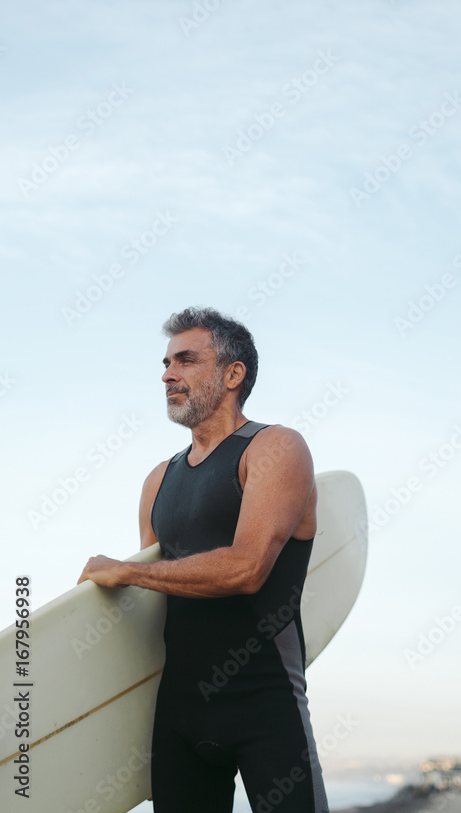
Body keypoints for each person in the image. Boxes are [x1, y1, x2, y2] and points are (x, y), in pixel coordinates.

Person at [78, 307, 329, 813]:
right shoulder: (159, 479)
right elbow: (153, 606)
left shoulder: (274, 448)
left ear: (233, 374)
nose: (168, 374)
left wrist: (127, 570)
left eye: (187, 360)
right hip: (178, 715)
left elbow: (246, 568)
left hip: (266, 704)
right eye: (166, 362)